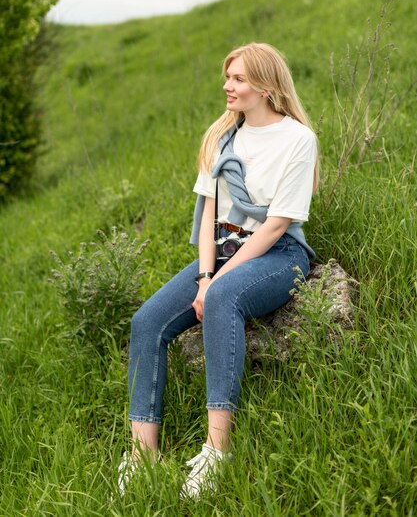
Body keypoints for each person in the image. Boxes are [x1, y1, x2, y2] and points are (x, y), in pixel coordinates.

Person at [117, 42, 319, 498]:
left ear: (266, 86)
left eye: (239, 79)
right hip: (222, 252)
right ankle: (141, 455)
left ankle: (217, 451)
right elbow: (208, 216)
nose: (228, 86)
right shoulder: (220, 137)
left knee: (225, 298)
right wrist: (207, 276)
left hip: (279, 254)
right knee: (147, 321)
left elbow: (276, 225)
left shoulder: (298, 140)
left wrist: (218, 284)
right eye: (228, 77)